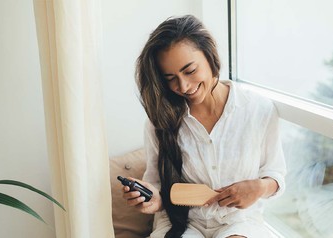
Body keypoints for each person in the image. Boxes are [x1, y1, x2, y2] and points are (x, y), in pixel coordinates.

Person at [121, 15, 286, 238]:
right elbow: (158, 186)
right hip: (182, 222)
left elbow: (275, 174)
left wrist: (259, 187)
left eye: (189, 71)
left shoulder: (258, 109)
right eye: (170, 78)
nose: (183, 86)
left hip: (239, 222)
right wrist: (152, 200)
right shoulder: (159, 120)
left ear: (210, 55)